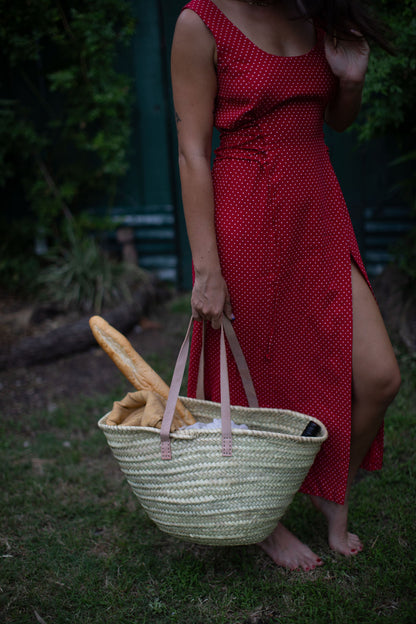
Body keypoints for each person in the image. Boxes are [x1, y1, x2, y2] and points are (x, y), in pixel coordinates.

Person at [170, 0, 401, 571]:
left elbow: (336, 122)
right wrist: (207, 269)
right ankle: (266, 524)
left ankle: (329, 487)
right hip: (246, 212)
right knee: (254, 378)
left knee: (379, 375)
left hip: (317, 206)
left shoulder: (315, 13)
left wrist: (350, 82)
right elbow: (193, 152)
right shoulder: (200, 22)